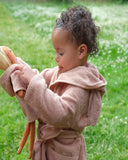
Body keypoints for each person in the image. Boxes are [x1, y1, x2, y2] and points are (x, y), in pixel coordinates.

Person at [0, 6, 107, 160]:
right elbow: (37, 79)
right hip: (47, 147)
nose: (56, 57)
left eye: (61, 52)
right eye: (55, 52)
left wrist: (34, 81)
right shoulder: (62, 70)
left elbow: (59, 113)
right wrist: (16, 64)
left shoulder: (82, 86)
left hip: (63, 152)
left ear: (81, 51)